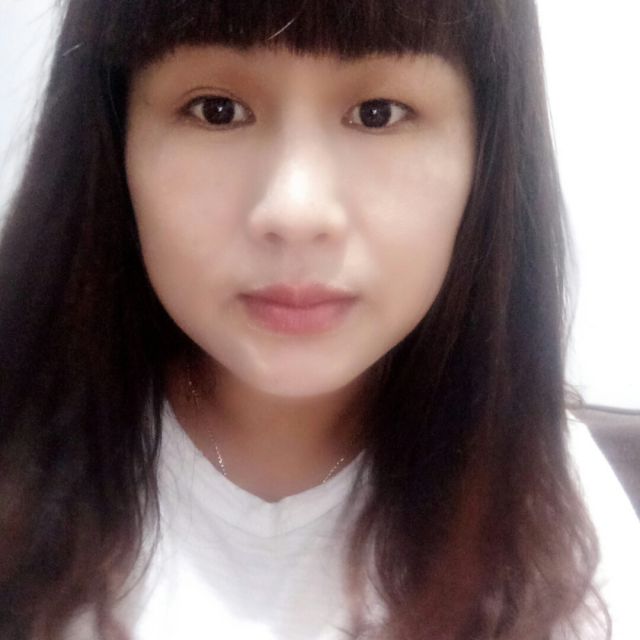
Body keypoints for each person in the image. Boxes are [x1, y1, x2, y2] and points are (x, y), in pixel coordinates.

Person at [0, 0, 638, 638]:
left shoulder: (557, 510)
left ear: (484, 153)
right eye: (216, 110)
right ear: (113, 141)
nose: (295, 210)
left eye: (378, 113)